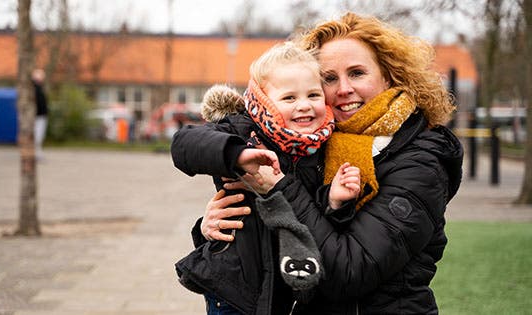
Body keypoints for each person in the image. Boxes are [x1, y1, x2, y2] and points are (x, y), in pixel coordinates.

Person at [199, 12, 464, 315]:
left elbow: (350, 271)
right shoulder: (314, 143)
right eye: (329, 78)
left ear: (388, 76)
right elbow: (288, 241)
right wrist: (220, 226)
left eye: (357, 73)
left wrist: (280, 188)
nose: (342, 89)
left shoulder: (421, 160)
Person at [171, 41, 361, 314]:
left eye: (313, 95)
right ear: (264, 102)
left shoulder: (320, 147)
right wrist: (235, 154)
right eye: (289, 98)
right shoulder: (243, 131)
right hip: (236, 288)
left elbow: (312, 217)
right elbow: (185, 144)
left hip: (287, 291)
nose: (304, 106)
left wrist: (334, 200)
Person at [32, 68, 48, 160]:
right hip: (37, 116)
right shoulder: (35, 89)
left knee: (39, 136)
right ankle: (36, 154)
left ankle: (38, 152)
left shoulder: (39, 88)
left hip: (41, 116)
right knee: (37, 136)